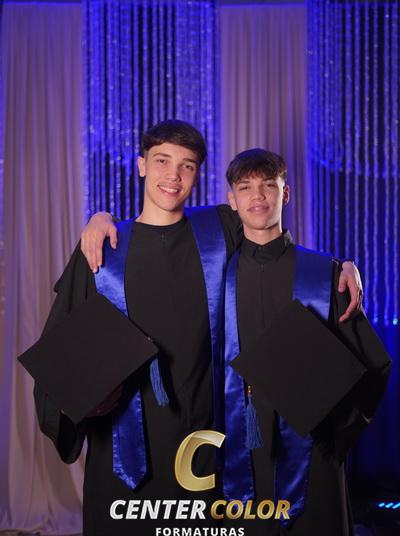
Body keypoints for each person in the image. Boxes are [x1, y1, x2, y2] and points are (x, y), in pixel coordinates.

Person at [34, 120, 363, 536]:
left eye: (186, 166)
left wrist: (342, 267)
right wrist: (99, 218)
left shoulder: (218, 228)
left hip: (203, 443)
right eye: (161, 161)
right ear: (141, 165)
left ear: (197, 175)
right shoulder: (103, 249)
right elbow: (62, 354)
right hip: (123, 447)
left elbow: (271, 236)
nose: (173, 175)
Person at [220, 148, 390, 535]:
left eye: (268, 185)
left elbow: (374, 364)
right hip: (241, 442)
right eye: (245, 187)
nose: (257, 195)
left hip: (313, 449)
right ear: (232, 200)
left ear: (286, 193)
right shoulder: (218, 274)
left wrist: (335, 433)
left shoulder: (324, 273)